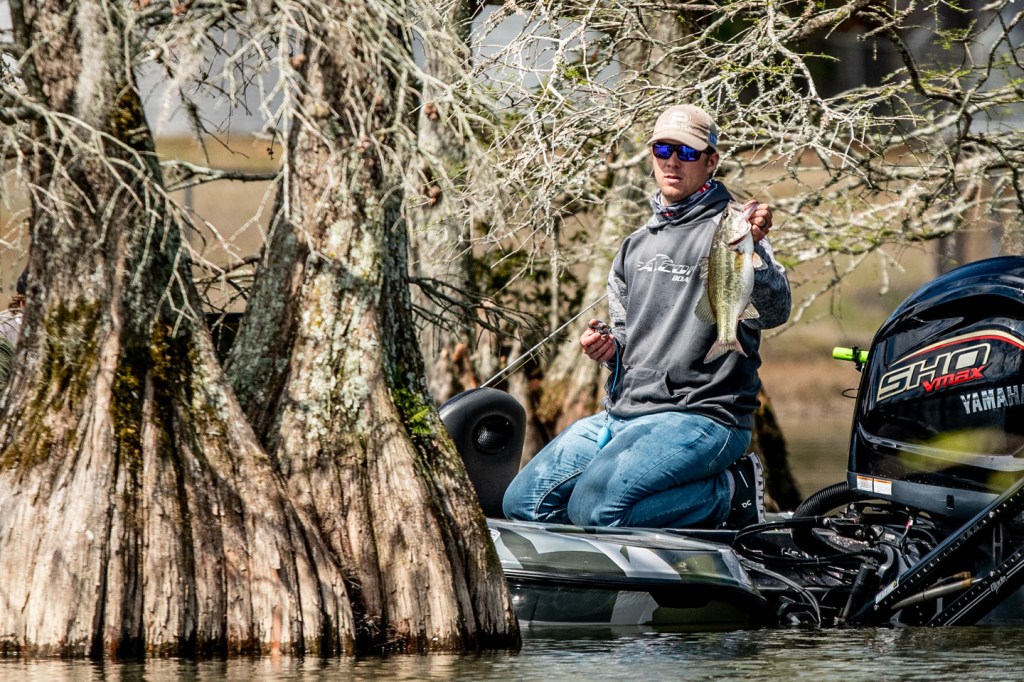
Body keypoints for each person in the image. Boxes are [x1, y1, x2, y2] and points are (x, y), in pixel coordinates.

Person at [502, 104, 791, 529]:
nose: (672, 162)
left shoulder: (735, 227)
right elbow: (625, 338)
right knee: (522, 503)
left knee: (596, 509)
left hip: (705, 415)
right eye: (662, 150)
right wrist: (609, 350)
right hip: (626, 412)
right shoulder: (634, 245)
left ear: (711, 161)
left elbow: (776, 311)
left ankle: (729, 494)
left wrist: (754, 254)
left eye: (687, 152)